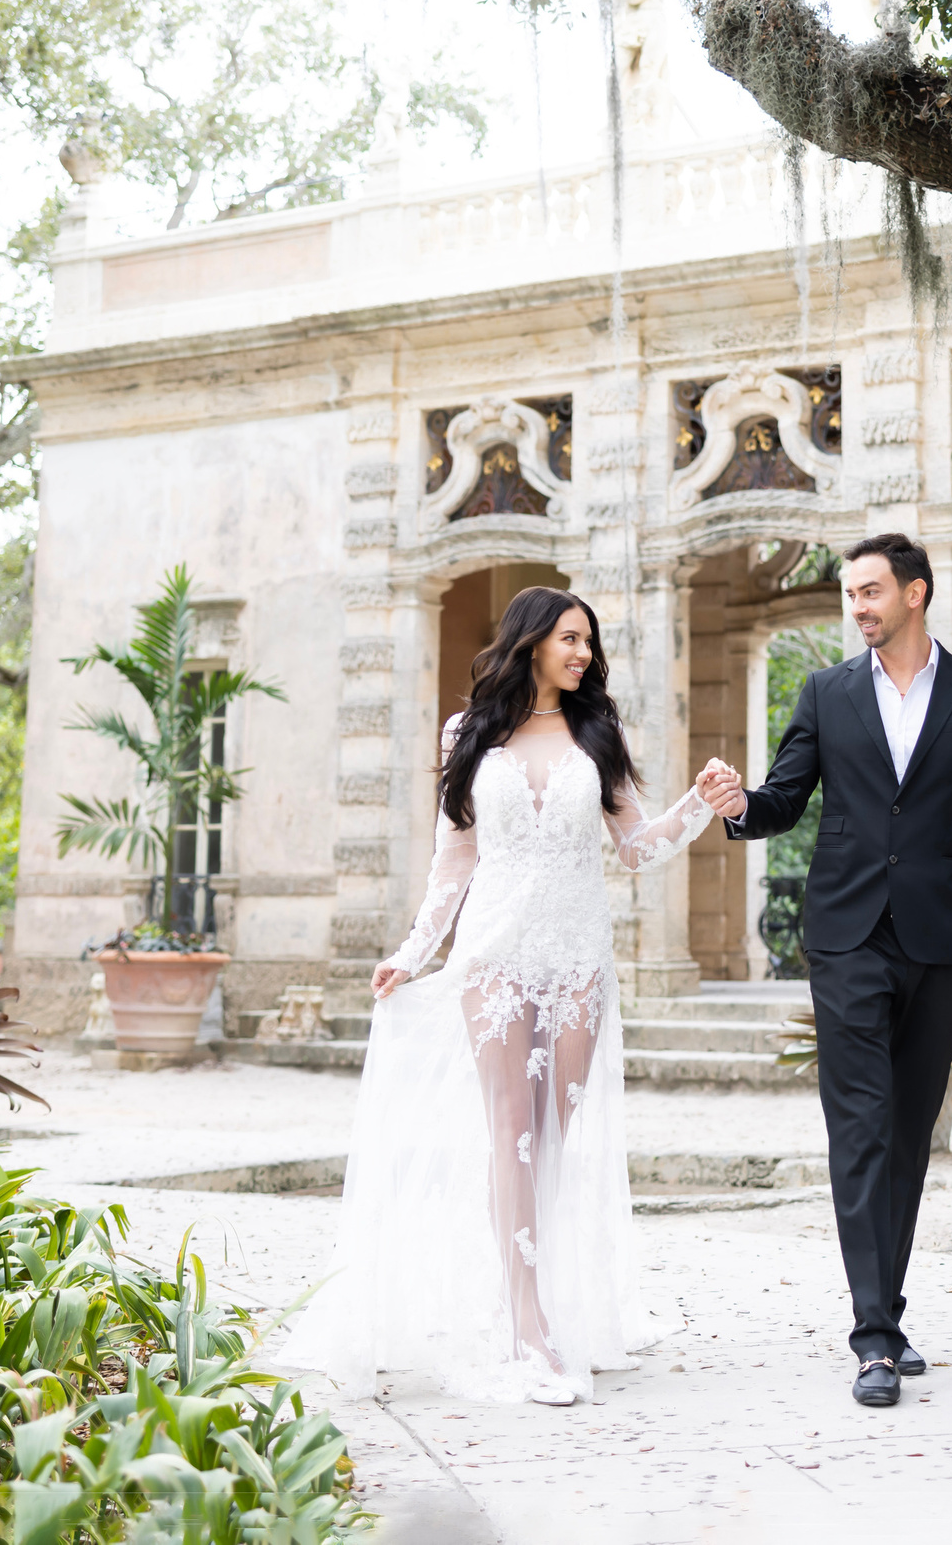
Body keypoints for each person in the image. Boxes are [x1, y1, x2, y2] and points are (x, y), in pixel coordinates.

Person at [286, 586, 734, 1406]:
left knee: (555, 1136)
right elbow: (454, 862)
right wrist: (413, 953)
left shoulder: (597, 733)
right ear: (530, 640)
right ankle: (529, 1330)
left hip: (577, 959)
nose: (584, 654)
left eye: (589, 644)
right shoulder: (467, 734)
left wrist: (696, 807)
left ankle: (537, 1293)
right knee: (511, 1132)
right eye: (570, 638)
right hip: (493, 953)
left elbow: (634, 848)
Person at [703, 532, 952, 1407]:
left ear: (916, 594)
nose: (857, 606)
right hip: (847, 940)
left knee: (906, 1132)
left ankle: (886, 1316)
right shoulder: (825, 693)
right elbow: (785, 798)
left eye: (870, 591)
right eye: (849, 594)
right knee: (860, 1128)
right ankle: (873, 1340)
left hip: (937, 942)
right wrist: (741, 804)